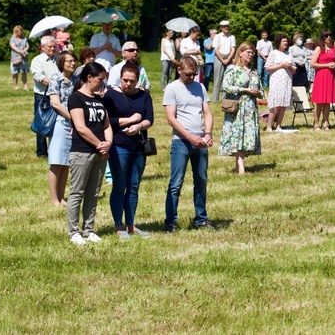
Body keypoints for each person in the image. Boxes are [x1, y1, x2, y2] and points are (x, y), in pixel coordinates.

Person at [163, 56, 215, 232]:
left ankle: (201, 219)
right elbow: (171, 119)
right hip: (181, 142)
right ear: (179, 70)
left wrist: (207, 134)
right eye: (188, 74)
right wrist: (190, 137)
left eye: (194, 74)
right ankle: (171, 221)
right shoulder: (172, 88)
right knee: (176, 183)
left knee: (201, 181)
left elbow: (207, 113)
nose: (192, 77)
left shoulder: (200, 87)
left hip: (200, 142)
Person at [102, 63, 154, 239]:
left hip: (138, 146)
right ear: (120, 77)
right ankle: (119, 226)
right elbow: (108, 121)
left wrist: (138, 125)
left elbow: (149, 119)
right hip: (119, 146)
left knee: (133, 187)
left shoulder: (144, 95)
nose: (128, 84)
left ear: (137, 80)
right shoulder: (111, 96)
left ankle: (131, 224)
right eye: (125, 80)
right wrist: (130, 120)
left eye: (132, 81)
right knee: (119, 186)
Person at [66, 62, 113, 246]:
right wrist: (99, 144)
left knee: (93, 193)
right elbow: (80, 127)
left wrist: (107, 143)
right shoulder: (76, 99)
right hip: (82, 152)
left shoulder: (100, 100)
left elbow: (107, 125)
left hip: (100, 153)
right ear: (89, 77)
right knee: (77, 192)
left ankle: (89, 230)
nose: (102, 83)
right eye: (100, 79)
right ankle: (74, 232)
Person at [218, 42, 264, 174]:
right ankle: (240, 165)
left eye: (252, 53)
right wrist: (244, 89)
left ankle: (240, 163)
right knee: (237, 134)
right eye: (248, 52)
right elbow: (226, 86)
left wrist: (257, 92)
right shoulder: (232, 69)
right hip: (237, 107)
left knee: (246, 135)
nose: (251, 55)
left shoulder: (254, 71)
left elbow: (260, 89)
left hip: (250, 108)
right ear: (240, 53)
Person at [47, 51, 77, 207]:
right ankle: (54, 199)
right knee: (56, 161)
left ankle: (61, 197)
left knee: (66, 163)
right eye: (69, 61)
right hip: (60, 122)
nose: (72, 63)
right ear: (61, 63)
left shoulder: (76, 79)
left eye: (74, 61)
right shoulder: (55, 78)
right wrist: (73, 118)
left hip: (73, 124)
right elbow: (55, 103)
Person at [31, 35, 59, 158]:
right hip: (42, 96)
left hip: (58, 95)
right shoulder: (37, 60)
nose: (53, 48)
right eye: (50, 46)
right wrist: (57, 83)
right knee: (42, 123)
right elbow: (39, 77)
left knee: (57, 123)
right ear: (42, 47)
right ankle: (42, 152)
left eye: (54, 46)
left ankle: (55, 150)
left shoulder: (59, 59)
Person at [265, 33, 296, 133]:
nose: (285, 43)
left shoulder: (289, 54)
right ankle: (269, 126)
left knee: (283, 105)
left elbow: (294, 70)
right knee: (275, 104)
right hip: (276, 81)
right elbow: (268, 68)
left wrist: (289, 66)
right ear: (278, 42)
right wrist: (281, 65)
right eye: (283, 41)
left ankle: (278, 125)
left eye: (286, 41)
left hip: (286, 82)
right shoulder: (273, 53)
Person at [310, 28, 335, 130]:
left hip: (331, 76)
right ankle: (316, 123)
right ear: (322, 37)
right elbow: (312, 64)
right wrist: (326, 65)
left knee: (328, 101)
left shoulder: (334, 49)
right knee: (319, 101)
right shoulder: (319, 49)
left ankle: (325, 122)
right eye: (326, 36)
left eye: (330, 35)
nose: (329, 38)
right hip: (321, 75)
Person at [211, 21, 237, 101]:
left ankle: (225, 99)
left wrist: (228, 59)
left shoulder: (232, 37)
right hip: (219, 58)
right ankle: (215, 99)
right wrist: (222, 60)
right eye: (224, 26)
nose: (226, 28)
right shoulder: (217, 36)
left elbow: (233, 49)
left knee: (228, 80)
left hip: (229, 58)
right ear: (221, 28)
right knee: (217, 79)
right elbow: (215, 49)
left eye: (227, 26)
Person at [9, 25, 29, 90]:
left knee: (24, 72)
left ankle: (25, 86)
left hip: (24, 57)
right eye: (18, 31)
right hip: (16, 57)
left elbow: (27, 46)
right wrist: (20, 51)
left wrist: (24, 51)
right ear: (15, 31)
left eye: (20, 30)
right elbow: (13, 47)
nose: (19, 32)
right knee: (15, 72)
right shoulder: (13, 38)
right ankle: (15, 86)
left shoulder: (25, 39)